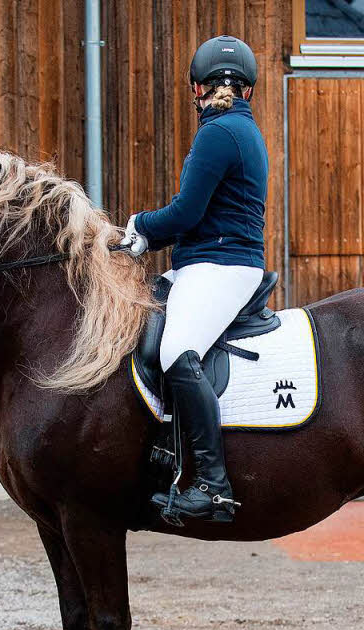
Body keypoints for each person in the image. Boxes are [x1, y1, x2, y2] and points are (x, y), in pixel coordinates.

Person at [120, 35, 267, 523]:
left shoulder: (218, 133)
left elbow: (186, 212)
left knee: (175, 350)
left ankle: (212, 485)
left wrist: (140, 226)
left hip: (222, 265)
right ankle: (166, 453)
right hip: (206, 260)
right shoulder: (239, 129)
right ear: (247, 90)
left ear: (195, 88)